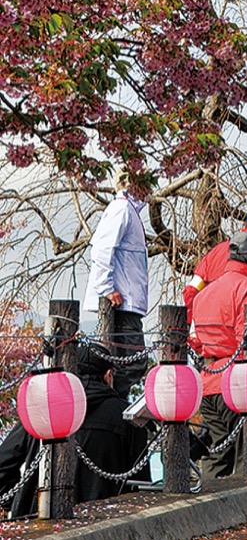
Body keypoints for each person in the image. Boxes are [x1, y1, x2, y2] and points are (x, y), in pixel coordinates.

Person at [0, 344, 149, 517]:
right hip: (105, 519)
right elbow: (140, 484)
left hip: (39, 514)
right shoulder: (128, 417)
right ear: (108, 376)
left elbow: (3, 462)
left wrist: (17, 500)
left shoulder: (44, 409)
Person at [189, 230, 247, 479]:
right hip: (237, 383)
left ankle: (208, 505)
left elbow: (195, 341)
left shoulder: (204, 293)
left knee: (215, 454)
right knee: (246, 455)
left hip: (208, 380)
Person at [82, 167, 150, 401]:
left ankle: (111, 403)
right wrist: (107, 287)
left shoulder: (128, 210)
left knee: (124, 361)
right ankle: (107, 403)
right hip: (122, 302)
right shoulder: (121, 208)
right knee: (133, 362)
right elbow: (102, 247)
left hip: (127, 301)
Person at [184, 208, 247, 317]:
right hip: (237, 325)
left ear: (243, 226)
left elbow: (192, 289)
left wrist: (194, 319)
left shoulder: (216, 251)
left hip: (202, 325)